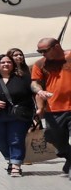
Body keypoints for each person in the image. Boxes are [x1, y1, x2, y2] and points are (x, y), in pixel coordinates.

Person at [0, 53, 37, 177]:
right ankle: (11, 158)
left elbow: (33, 91)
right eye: (3, 62)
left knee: (16, 139)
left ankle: (16, 165)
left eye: (9, 62)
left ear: (13, 64)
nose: (6, 64)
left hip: (18, 115)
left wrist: (39, 104)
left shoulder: (22, 78)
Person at [31, 37, 70, 176]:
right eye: (39, 51)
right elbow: (35, 83)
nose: (42, 54)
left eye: (45, 50)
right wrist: (39, 91)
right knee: (54, 139)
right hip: (54, 109)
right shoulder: (40, 64)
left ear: (56, 47)